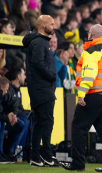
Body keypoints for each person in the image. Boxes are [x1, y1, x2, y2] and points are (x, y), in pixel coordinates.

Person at [60, 24, 102, 173]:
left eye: (88, 33)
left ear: (91, 35)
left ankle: (78, 163)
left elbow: (89, 74)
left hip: (94, 94)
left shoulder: (90, 51)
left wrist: (81, 93)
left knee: (79, 127)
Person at [22, 15, 58, 167]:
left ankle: (35, 157)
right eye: (51, 24)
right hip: (42, 89)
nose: (54, 26)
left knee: (39, 124)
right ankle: (47, 156)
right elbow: (38, 63)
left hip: (39, 88)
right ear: (43, 25)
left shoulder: (40, 42)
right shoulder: (39, 42)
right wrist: (51, 75)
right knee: (47, 122)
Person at [4, 66, 29, 159]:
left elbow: (20, 108)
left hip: (15, 115)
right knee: (23, 122)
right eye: (23, 74)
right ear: (18, 76)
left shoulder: (18, 91)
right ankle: (12, 150)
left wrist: (28, 112)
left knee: (29, 119)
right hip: (8, 117)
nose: (25, 77)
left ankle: (22, 150)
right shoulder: (9, 89)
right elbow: (8, 107)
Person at [0, 76, 17, 164]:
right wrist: (7, 118)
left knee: (21, 124)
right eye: (5, 89)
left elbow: (14, 103)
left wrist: (12, 115)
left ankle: (4, 153)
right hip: (3, 117)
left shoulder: (3, 96)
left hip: (5, 116)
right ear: (0, 88)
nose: (6, 92)